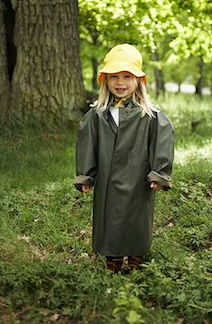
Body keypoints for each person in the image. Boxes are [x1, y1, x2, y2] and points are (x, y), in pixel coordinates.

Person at [74, 44, 174, 273]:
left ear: (138, 80)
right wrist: (86, 175)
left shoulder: (150, 115)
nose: (120, 83)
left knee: (137, 216)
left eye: (127, 76)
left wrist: (159, 173)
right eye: (114, 77)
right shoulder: (97, 114)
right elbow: (87, 144)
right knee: (109, 215)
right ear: (105, 80)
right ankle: (113, 258)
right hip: (108, 175)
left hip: (139, 176)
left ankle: (137, 256)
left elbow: (162, 143)